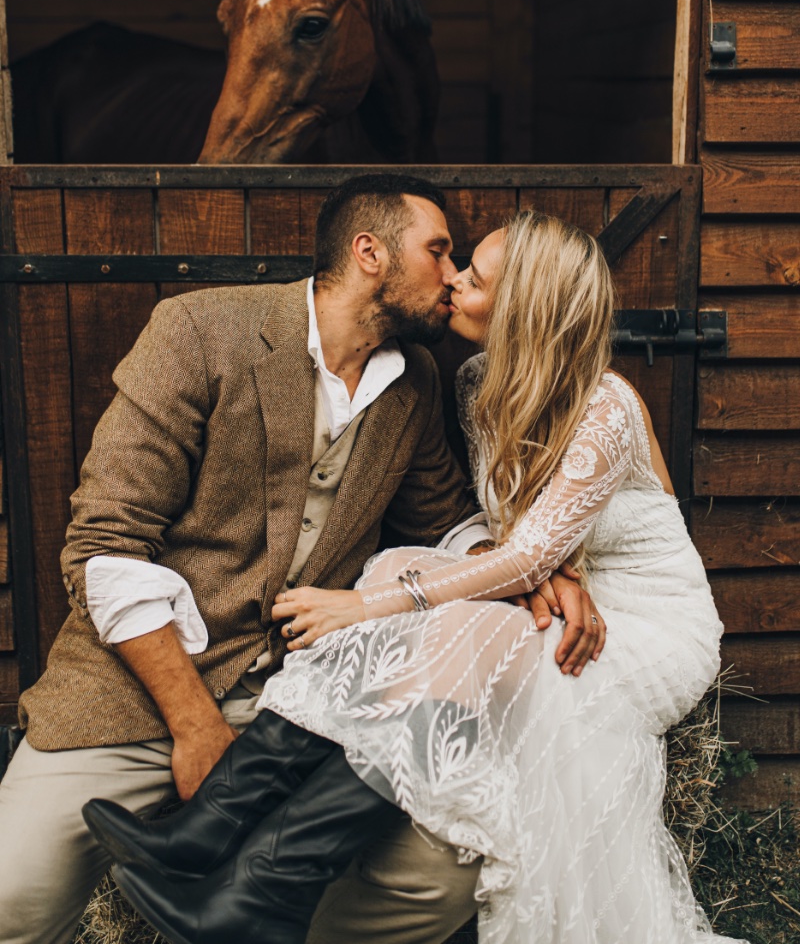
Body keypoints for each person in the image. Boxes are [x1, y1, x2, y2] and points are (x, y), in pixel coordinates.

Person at [84, 211, 745, 944]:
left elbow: (528, 554)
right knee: (406, 564)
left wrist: (363, 606)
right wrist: (540, 572)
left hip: (643, 623)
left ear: (522, 305)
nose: (454, 278)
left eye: (475, 276)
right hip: (558, 594)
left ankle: (258, 883)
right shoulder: (471, 382)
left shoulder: (606, 406)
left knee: (441, 610)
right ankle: (220, 837)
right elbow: (509, 539)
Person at [0, 176, 602, 944]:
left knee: (442, 874)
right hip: (138, 687)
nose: (452, 276)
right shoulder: (198, 330)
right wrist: (194, 726)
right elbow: (103, 545)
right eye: (439, 250)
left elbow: (448, 522)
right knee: (10, 898)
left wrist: (528, 565)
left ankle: (253, 921)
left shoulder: (414, 382)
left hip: (301, 695)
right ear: (370, 253)